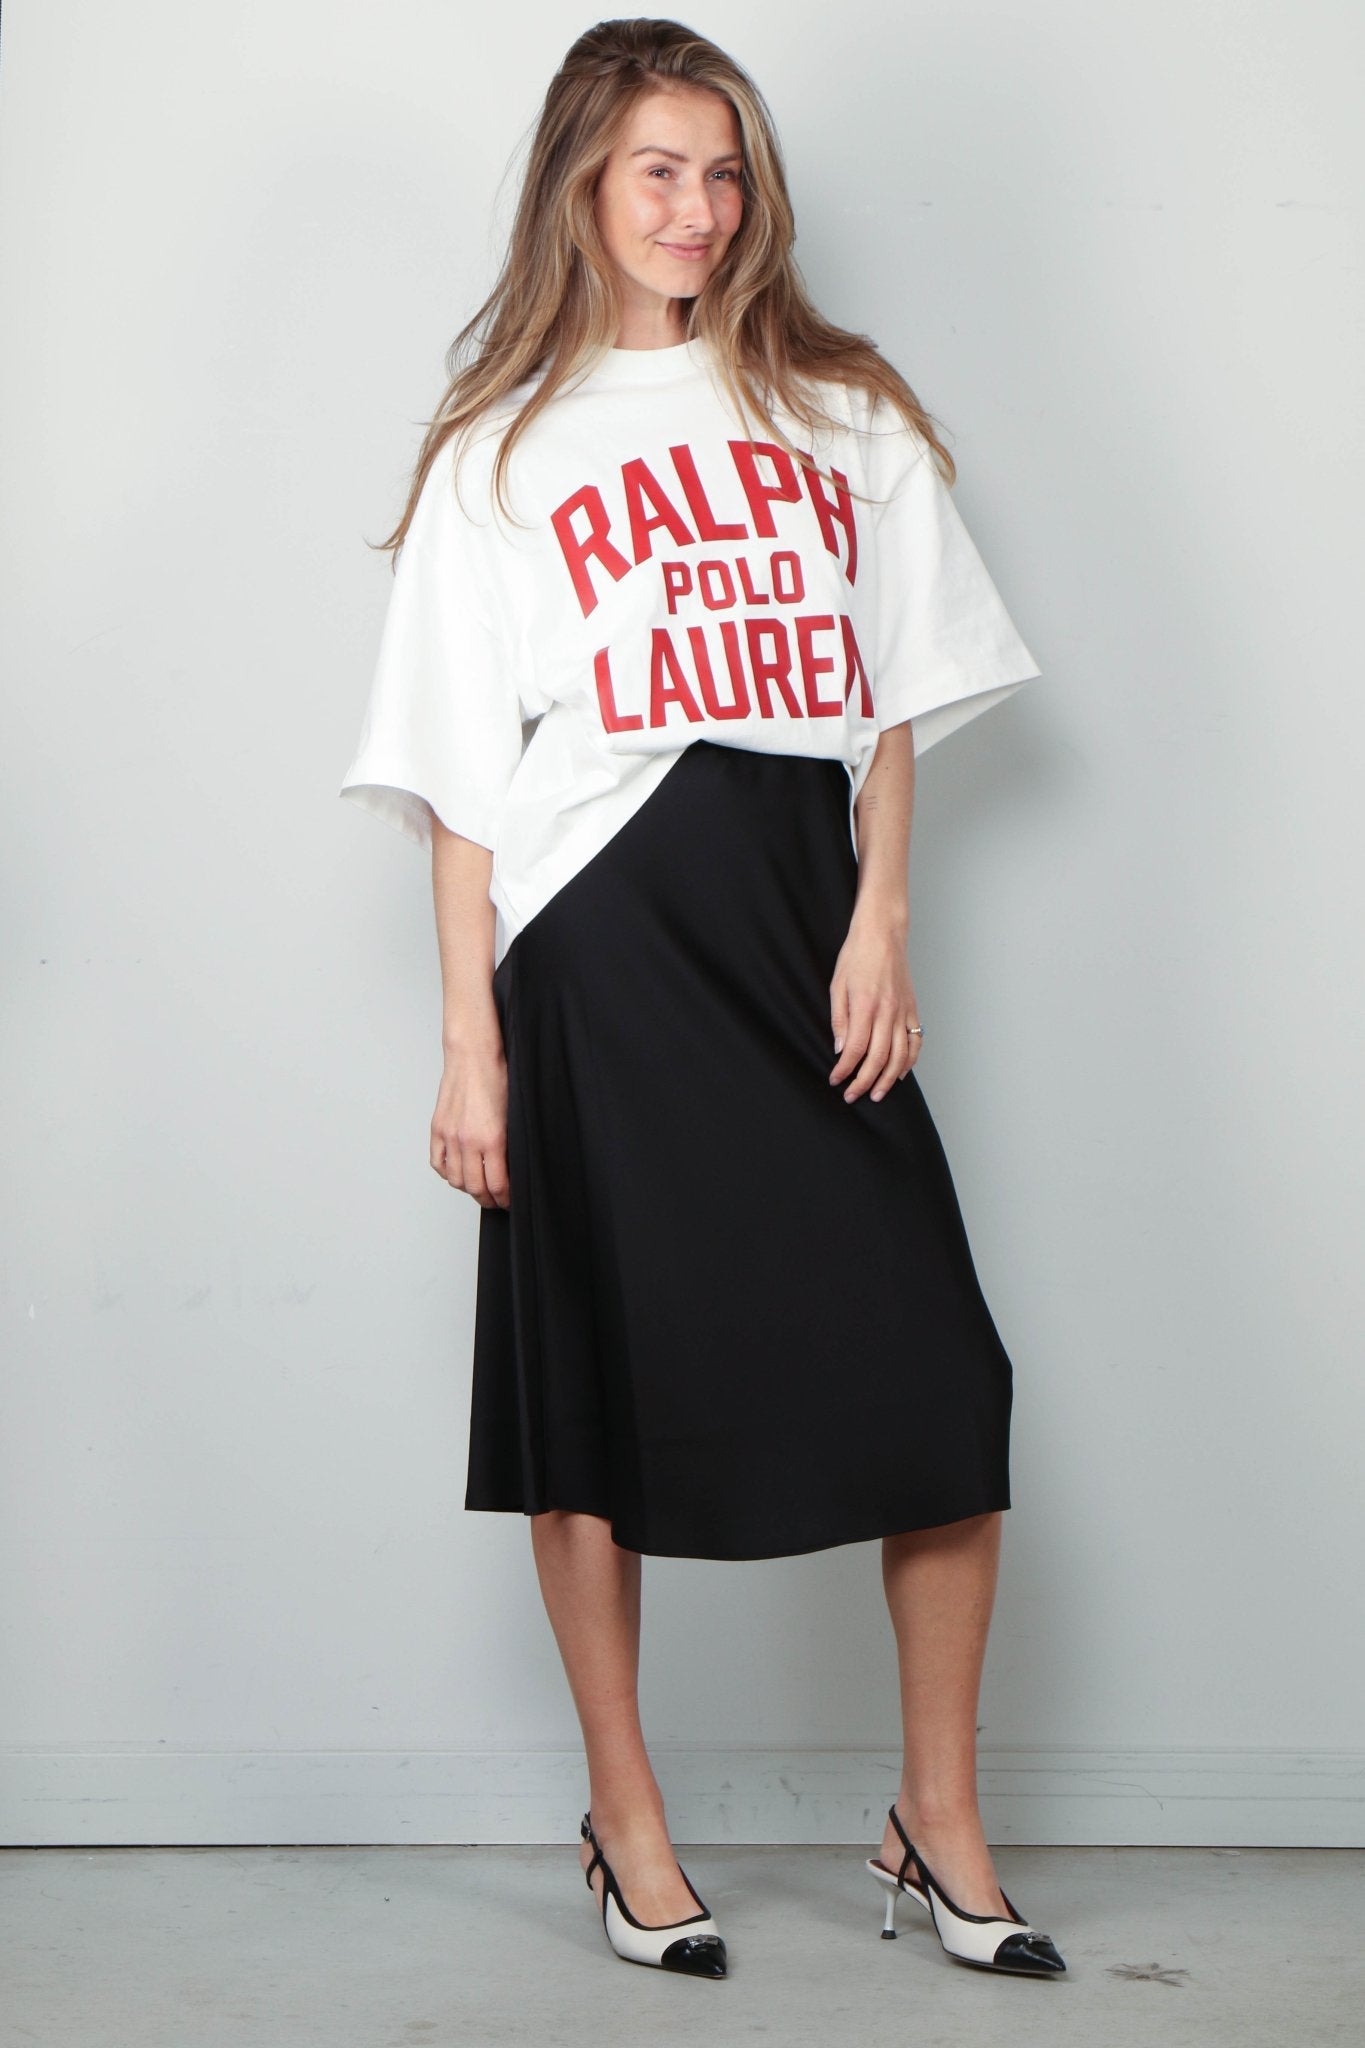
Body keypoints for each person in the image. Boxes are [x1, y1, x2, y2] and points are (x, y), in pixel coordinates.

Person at [340, 15, 1066, 1984]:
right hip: (592, 945)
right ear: (581, 184)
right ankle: (628, 1820)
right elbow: (460, 790)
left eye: (723, 170)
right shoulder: (502, 448)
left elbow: (890, 694)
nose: (697, 207)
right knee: (586, 1394)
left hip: (794, 921)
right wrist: (470, 1048)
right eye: (658, 168)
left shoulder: (840, 413)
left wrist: (880, 917)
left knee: (940, 1378)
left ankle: (935, 1817)